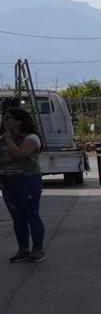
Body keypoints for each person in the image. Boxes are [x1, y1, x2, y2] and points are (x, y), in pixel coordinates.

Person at [2, 103, 45, 263]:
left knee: (31, 215)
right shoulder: (3, 139)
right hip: (8, 181)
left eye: (8, 118)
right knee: (17, 217)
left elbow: (20, 155)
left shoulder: (31, 138)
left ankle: (38, 249)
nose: (4, 121)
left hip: (27, 180)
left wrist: (8, 141)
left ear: (19, 121)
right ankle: (23, 248)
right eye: (3, 118)